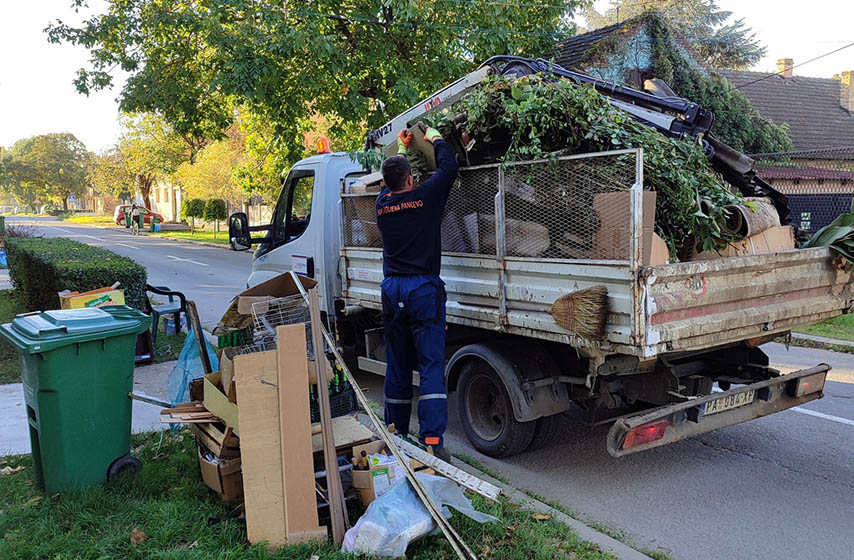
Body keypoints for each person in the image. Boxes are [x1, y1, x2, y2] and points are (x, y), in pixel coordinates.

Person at [376, 126, 459, 459]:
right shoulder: (425, 199)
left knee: (397, 363)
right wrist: (436, 139)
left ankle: (395, 430)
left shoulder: (382, 205)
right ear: (411, 179)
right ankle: (432, 443)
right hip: (422, 289)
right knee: (429, 366)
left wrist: (401, 147)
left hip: (392, 288)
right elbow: (448, 168)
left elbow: (390, 182)